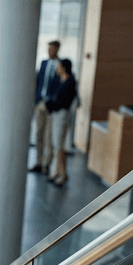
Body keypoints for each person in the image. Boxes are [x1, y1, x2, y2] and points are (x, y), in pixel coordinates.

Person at [29, 40, 61, 174]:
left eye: (52, 49)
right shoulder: (43, 63)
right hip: (40, 102)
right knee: (39, 134)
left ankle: (47, 163)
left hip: (51, 105)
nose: (50, 51)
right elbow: (38, 82)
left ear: (57, 50)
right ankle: (39, 161)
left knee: (48, 136)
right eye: (48, 49)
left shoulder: (60, 65)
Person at [44, 58, 77, 187]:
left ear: (63, 68)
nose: (57, 69)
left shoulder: (70, 82)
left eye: (59, 67)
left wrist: (51, 104)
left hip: (62, 116)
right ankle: (60, 172)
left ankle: (60, 173)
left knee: (59, 145)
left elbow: (65, 102)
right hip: (56, 114)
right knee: (57, 145)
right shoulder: (59, 80)